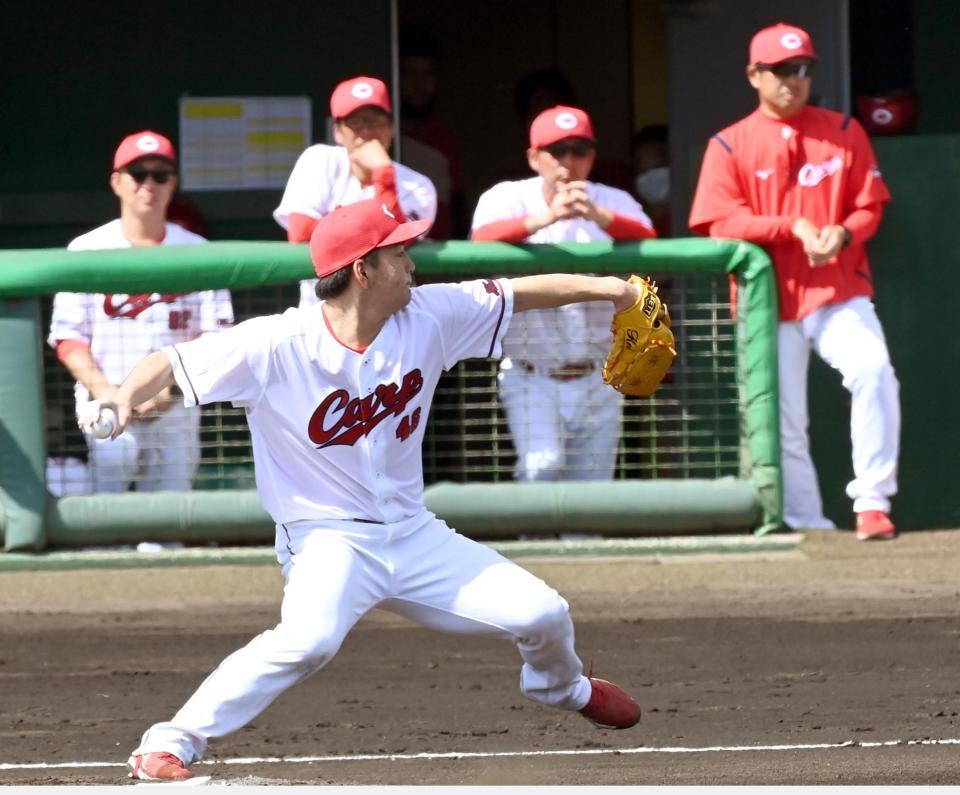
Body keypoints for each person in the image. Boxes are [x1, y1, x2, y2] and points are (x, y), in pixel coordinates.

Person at [96, 199, 643, 781]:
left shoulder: (430, 314)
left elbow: (521, 290)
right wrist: (124, 397)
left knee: (544, 612)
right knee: (308, 641)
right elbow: (168, 360)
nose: (411, 263)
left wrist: (612, 289)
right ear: (362, 269)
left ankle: (563, 688)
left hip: (414, 533)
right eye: (398, 253)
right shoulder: (277, 343)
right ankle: (168, 744)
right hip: (326, 538)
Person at [688, 23, 899, 541]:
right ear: (754, 75)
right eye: (781, 70)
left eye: (802, 69)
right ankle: (809, 524)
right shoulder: (730, 144)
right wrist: (791, 226)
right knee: (784, 423)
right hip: (767, 302)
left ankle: (872, 502)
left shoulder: (844, 129)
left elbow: (869, 207)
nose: (793, 79)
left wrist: (845, 233)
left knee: (874, 372)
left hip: (835, 288)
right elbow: (719, 224)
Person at [471, 105, 657, 481]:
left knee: (592, 495)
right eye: (558, 151)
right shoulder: (507, 197)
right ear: (534, 157)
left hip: (598, 376)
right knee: (541, 469)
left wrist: (598, 216)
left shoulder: (611, 199)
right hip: (532, 373)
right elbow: (480, 239)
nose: (569, 161)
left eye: (579, 150)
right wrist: (546, 218)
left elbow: (649, 238)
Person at [48, 131, 234, 493]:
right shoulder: (87, 249)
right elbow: (69, 338)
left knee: (168, 521)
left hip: (175, 404)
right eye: (138, 174)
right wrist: (112, 395)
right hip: (104, 395)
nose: (149, 183)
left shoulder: (199, 251)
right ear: (117, 182)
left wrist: (170, 391)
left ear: (173, 183)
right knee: (108, 513)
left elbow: (218, 338)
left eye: (160, 175)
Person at [273, 75, 437, 308]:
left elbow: (398, 242)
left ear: (391, 128)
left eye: (375, 121)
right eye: (356, 121)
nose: (367, 131)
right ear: (338, 131)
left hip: (392, 312)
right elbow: (300, 232)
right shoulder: (319, 160)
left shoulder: (419, 185)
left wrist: (383, 175)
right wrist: (374, 236)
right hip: (321, 309)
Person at [398, 24, 465, 239]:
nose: (420, 85)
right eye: (410, 75)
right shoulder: (379, 137)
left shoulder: (443, 137)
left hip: (439, 256)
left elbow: (457, 205)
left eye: (427, 74)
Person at [631, 124, 671, 237]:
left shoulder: (683, 221)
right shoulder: (649, 225)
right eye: (638, 165)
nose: (645, 178)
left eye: (660, 158)